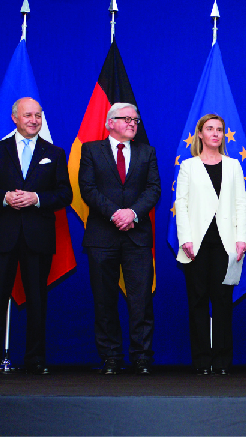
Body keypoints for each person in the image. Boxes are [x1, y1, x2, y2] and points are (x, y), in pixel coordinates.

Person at [0, 97, 72, 376]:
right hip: (4, 235)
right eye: (28, 115)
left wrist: (36, 198)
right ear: (14, 118)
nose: (34, 120)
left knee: (38, 301)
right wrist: (4, 197)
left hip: (38, 236)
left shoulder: (54, 152)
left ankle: (35, 359)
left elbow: (65, 194)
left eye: (38, 116)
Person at [79, 102, 160, 376]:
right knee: (104, 300)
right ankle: (111, 356)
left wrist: (133, 213)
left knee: (141, 301)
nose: (132, 124)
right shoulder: (91, 150)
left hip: (137, 237)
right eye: (126, 119)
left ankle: (141, 357)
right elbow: (87, 189)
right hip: (102, 236)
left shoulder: (147, 152)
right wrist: (115, 214)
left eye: (135, 120)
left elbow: (153, 190)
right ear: (109, 122)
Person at [175, 114, 246, 375]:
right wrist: (185, 239)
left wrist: (242, 238)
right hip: (195, 245)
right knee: (197, 301)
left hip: (225, 244)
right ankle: (201, 361)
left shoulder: (233, 166)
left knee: (223, 302)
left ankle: (222, 361)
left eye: (219, 129)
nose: (215, 133)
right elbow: (181, 205)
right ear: (200, 134)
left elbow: (241, 203)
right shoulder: (188, 166)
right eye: (210, 129)